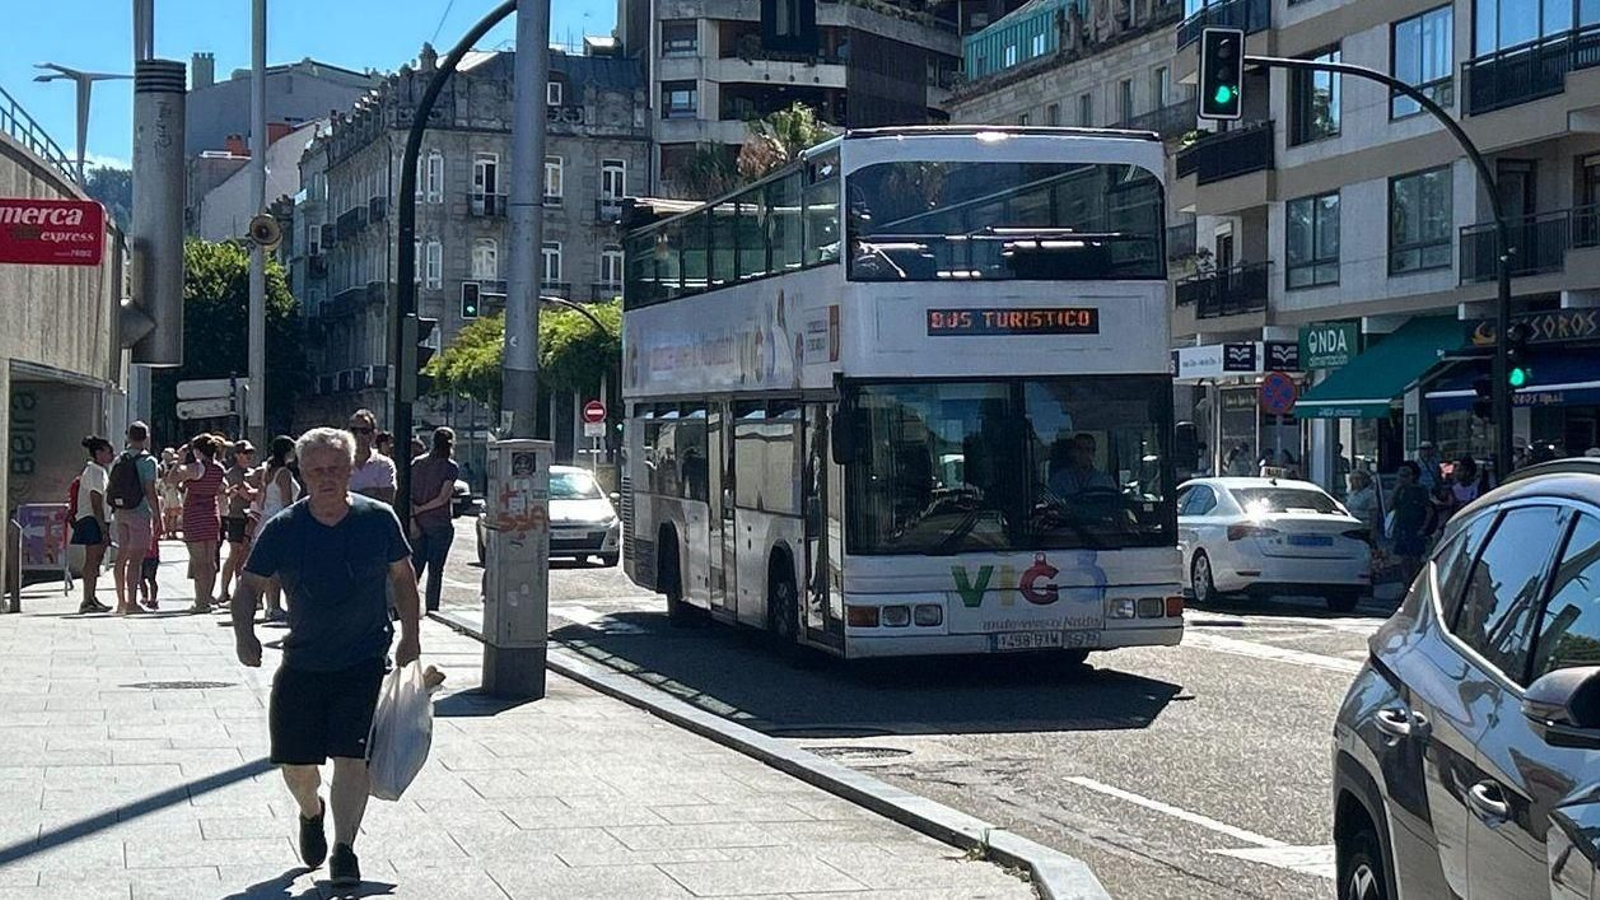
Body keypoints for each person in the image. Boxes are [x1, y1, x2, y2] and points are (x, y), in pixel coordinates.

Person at [232, 427, 420, 888]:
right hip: (303, 663)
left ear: (351, 469)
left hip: (363, 660)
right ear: (301, 472)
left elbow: (403, 578)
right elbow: (248, 587)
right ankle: (310, 811)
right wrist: (245, 634)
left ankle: (344, 849)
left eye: (336, 468)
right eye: (316, 470)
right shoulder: (285, 528)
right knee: (296, 765)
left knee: (351, 759)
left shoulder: (378, 520)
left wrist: (411, 636)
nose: (327, 478)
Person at [168, 434, 227, 613]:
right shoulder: (219, 468)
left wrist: (179, 460)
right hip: (212, 513)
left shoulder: (196, 468)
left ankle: (201, 602)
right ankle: (206, 598)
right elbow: (222, 488)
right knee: (210, 561)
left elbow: (172, 479)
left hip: (194, 514)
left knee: (199, 561)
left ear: (198, 451)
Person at [109, 422, 162, 616]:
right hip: (139, 512)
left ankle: (121, 602)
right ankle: (132, 602)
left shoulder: (119, 458)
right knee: (136, 559)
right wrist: (158, 516)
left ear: (128, 437)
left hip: (120, 511)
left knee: (122, 556)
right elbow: (150, 491)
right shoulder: (148, 461)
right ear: (146, 437)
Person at [408, 427, 460, 612]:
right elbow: (443, 498)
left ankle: (406, 608)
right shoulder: (450, 467)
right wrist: (424, 508)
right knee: (436, 571)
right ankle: (432, 608)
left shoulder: (416, 464)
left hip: (418, 524)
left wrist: (415, 514)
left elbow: (408, 493)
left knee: (415, 568)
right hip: (439, 524)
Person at [255, 436, 302, 623]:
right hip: (280, 520)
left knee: (271, 566)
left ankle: (271, 605)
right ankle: (274, 606)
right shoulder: (283, 473)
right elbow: (287, 502)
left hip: (266, 519)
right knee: (281, 567)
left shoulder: (268, 471)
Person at [70, 436, 116, 614]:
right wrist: (102, 527)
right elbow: (95, 501)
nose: (112, 454)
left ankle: (92, 597)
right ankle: (87, 599)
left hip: (96, 519)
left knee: (96, 560)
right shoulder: (95, 472)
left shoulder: (100, 471)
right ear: (98, 453)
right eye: (108, 451)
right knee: (92, 560)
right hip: (92, 519)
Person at [219, 440, 258, 607]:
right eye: (245, 453)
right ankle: (224, 591)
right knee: (235, 553)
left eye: (250, 453)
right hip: (236, 516)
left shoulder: (252, 473)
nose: (249, 456)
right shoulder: (233, 474)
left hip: (250, 517)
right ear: (237, 455)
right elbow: (248, 495)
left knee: (245, 554)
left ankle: (240, 591)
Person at [1389, 461, 1433, 586]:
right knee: (1403, 559)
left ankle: (1416, 585)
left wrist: (1423, 528)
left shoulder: (1420, 490)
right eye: (1400, 475)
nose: (1402, 478)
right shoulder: (1400, 490)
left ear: (1413, 476)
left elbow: (1428, 510)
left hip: (1415, 528)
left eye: (1406, 475)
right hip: (1401, 527)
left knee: (1415, 559)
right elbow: (1390, 507)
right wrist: (1396, 491)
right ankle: (1406, 586)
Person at [347, 410, 396, 504]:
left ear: (373, 434)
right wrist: (371, 493)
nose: (359, 435)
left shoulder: (384, 464)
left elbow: (388, 499)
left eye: (364, 431)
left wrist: (351, 495)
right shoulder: (338, 463)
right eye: (354, 430)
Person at [1047, 433, 1116, 497]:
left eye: (1088, 450)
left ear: (1093, 454)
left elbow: (1114, 505)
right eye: (1080, 449)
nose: (1084, 453)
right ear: (1072, 452)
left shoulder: (1106, 481)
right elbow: (1052, 505)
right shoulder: (1059, 480)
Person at [1343, 470, 1381, 546]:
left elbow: (1374, 513)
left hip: (1364, 527)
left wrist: (1373, 532)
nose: (1356, 481)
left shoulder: (1369, 494)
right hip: (1351, 527)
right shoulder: (1351, 494)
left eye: (1359, 479)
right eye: (1354, 479)